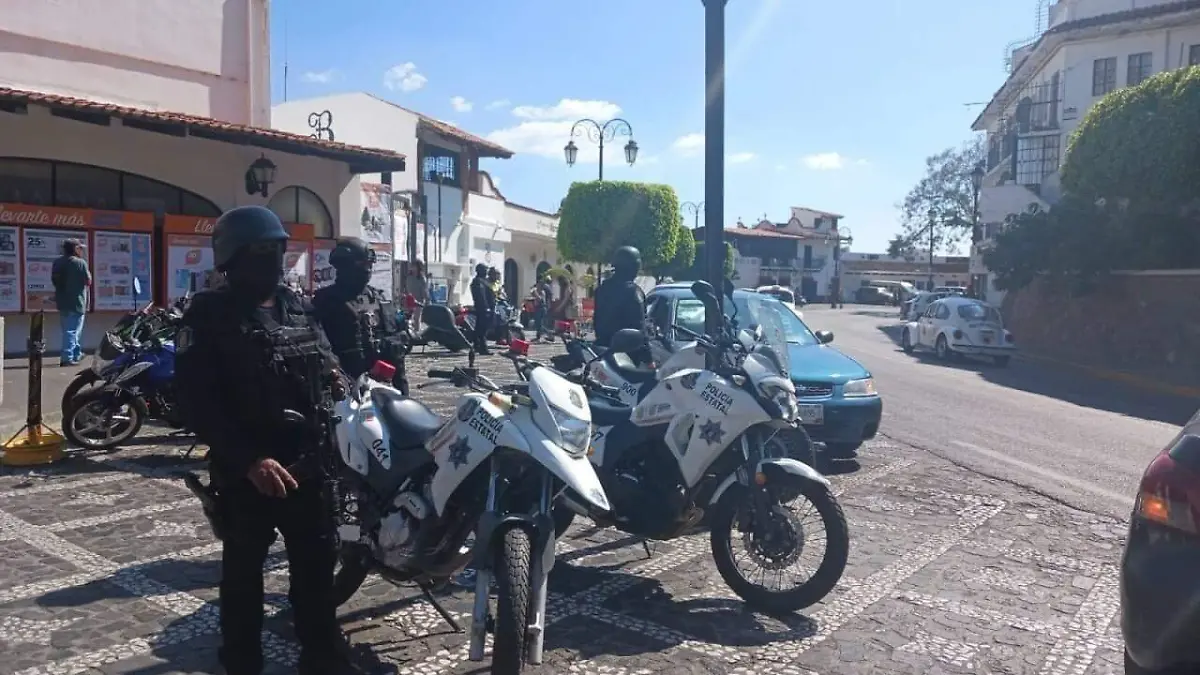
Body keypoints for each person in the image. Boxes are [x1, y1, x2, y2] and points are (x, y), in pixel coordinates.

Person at [173, 205, 358, 675]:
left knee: (315, 576)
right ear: (232, 259)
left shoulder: (297, 305)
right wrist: (249, 461)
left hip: (308, 467)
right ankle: (241, 664)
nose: (271, 263)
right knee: (242, 580)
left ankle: (323, 659)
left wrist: (337, 378)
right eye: (259, 253)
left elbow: (326, 357)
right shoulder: (208, 314)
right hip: (249, 475)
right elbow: (196, 403)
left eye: (276, 251)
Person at [312, 237, 410, 395]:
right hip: (344, 392)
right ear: (343, 265)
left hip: (382, 390)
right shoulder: (325, 301)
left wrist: (404, 396)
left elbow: (397, 354)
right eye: (361, 264)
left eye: (369, 264)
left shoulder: (380, 300)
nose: (367, 269)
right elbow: (318, 351)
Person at [593, 246, 646, 349]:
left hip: (601, 349)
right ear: (634, 267)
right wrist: (649, 359)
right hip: (627, 354)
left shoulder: (602, 289)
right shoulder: (634, 292)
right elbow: (640, 328)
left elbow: (597, 320)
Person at [51, 239, 91, 366]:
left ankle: (76, 354)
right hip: (77, 302)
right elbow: (88, 281)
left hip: (62, 301)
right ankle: (67, 357)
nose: (81, 251)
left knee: (71, 330)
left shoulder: (57, 262)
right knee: (72, 331)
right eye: (80, 248)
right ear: (75, 249)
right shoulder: (80, 263)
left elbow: (54, 281)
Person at [468, 263, 494, 355]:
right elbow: (481, 296)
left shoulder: (484, 281)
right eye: (485, 269)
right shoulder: (477, 281)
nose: (486, 271)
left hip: (487, 308)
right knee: (482, 329)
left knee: (480, 328)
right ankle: (483, 348)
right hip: (482, 309)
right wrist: (486, 307)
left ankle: (476, 346)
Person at [408, 259, 430, 329]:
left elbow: (425, 290)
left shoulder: (422, 278)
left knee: (417, 319)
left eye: (415, 266)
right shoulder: (409, 277)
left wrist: (427, 300)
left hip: (418, 301)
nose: (413, 268)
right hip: (409, 300)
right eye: (412, 266)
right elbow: (407, 287)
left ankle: (417, 333)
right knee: (409, 318)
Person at [533, 274, 553, 341]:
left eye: (538, 284)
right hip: (539, 308)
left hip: (541, 308)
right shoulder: (539, 290)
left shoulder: (542, 291)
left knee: (541, 324)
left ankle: (550, 335)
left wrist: (535, 293)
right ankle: (538, 336)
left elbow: (540, 299)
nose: (537, 285)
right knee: (538, 323)